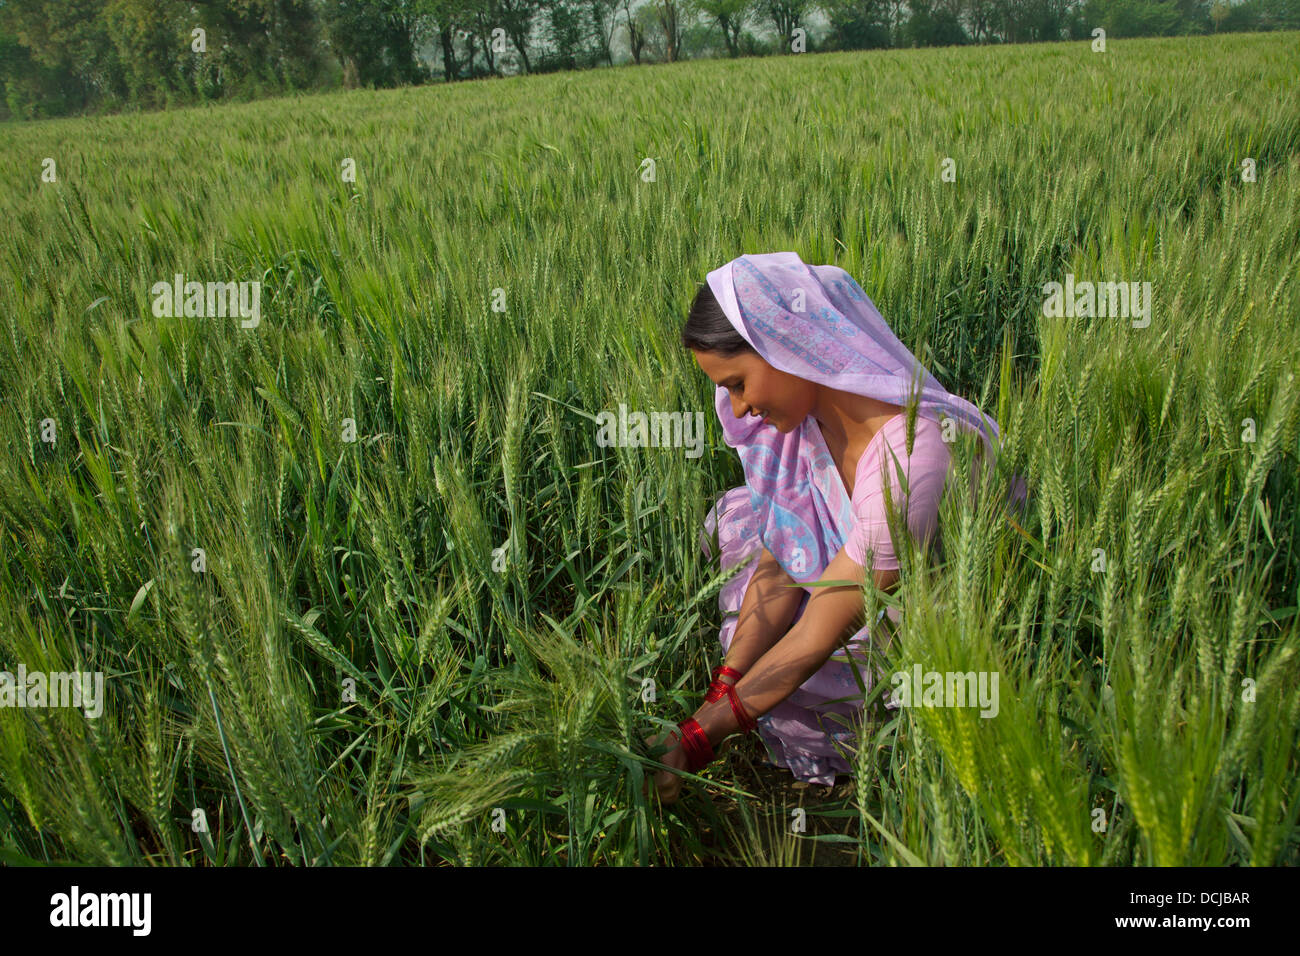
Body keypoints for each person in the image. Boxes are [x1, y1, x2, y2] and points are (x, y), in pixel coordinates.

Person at [645, 251, 1024, 804]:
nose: (738, 407)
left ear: (785, 344)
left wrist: (699, 739)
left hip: (925, 617)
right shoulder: (805, 426)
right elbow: (780, 563)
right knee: (748, 548)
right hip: (855, 585)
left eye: (738, 383)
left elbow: (821, 631)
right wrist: (719, 693)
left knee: (827, 669)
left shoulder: (915, 459)